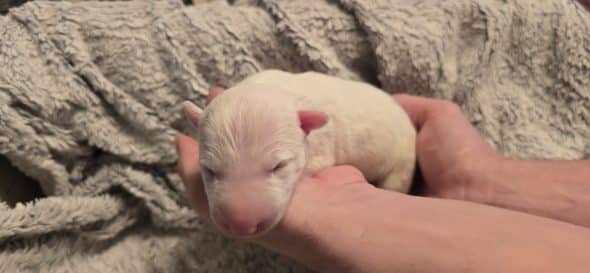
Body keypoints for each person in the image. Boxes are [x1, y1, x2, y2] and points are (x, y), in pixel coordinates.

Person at [176, 87, 590, 273]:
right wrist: (480, 179)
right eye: (213, 172)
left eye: (277, 168)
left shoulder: (311, 122)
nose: (240, 217)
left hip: (398, 163)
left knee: (391, 170)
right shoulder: (269, 112)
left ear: (308, 127)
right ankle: (472, 187)